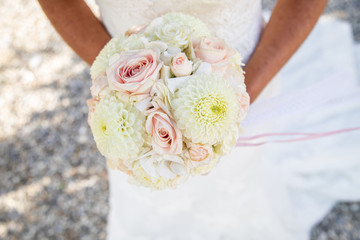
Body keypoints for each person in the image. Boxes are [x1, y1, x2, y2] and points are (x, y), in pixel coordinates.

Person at [38, 0, 360, 239]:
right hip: (129, 105)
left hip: (247, 76)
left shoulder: (243, 91)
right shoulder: (125, 98)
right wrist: (125, 82)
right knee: (146, 196)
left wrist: (242, 95)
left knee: (238, 188)